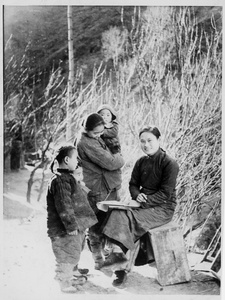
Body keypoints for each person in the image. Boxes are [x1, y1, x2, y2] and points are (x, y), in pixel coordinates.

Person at [100, 125, 179, 287]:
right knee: (116, 214)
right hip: (143, 203)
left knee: (129, 217)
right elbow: (133, 184)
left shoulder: (169, 163)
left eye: (150, 140)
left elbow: (165, 193)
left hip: (163, 207)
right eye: (142, 141)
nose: (146, 145)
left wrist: (143, 200)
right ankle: (117, 261)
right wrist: (137, 194)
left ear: (158, 140)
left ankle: (119, 267)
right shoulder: (141, 162)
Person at [76, 113, 125, 270]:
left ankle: (98, 260)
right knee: (97, 226)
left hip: (98, 187)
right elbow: (111, 163)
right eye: (95, 133)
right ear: (86, 129)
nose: (99, 136)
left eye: (100, 132)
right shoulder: (87, 142)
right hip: (97, 190)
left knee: (97, 226)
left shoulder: (91, 138)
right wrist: (120, 157)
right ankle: (98, 260)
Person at [46, 145, 98, 293]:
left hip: (74, 227)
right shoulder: (61, 181)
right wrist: (71, 226)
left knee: (75, 250)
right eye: (76, 158)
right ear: (67, 160)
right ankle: (63, 281)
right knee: (66, 254)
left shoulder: (68, 178)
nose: (78, 161)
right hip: (64, 230)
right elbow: (64, 206)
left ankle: (72, 272)